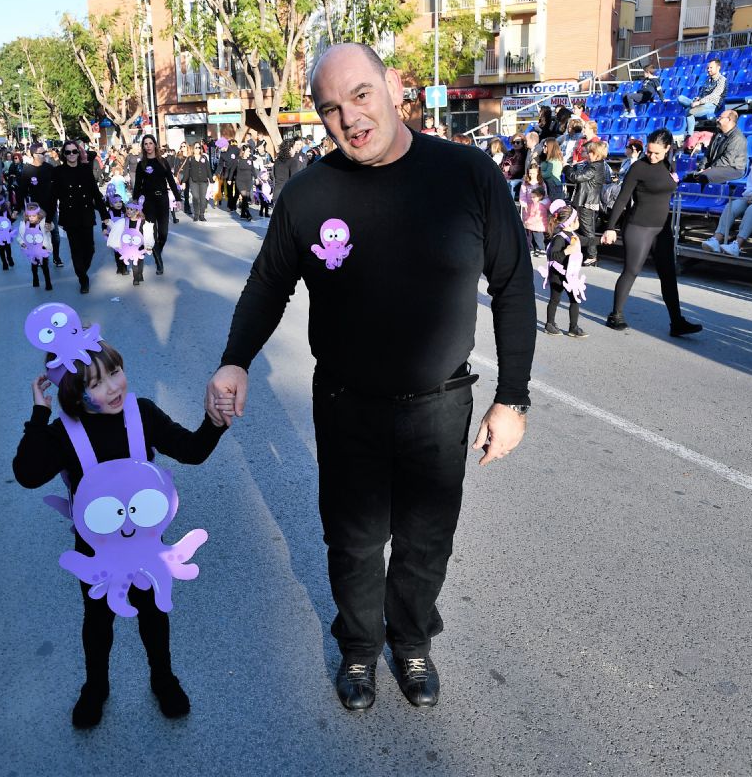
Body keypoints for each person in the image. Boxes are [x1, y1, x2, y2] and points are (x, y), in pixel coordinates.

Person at [202, 43, 536, 712]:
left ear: (392, 86)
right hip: (346, 403)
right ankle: (359, 647)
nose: (349, 117)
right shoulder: (307, 194)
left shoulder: (468, 174)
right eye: (330, 108)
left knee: (425, 539)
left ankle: (411, 641)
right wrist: (235, 358)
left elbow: (513, 287)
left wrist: (513, 398)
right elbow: (268, 285)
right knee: (352, 540)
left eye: (359, 94)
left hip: (440, 405)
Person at [12, 340, 227, 729]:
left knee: (153, 612)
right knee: (97, 619)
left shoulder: (140, 413)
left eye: (114, 372)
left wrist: (214, 423)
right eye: (95, 384)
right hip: (95, 550)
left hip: (145, 544)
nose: (113, 388)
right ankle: (95, 687)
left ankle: (163, 678)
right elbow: (27, 473)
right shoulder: (64, 431)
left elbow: (191, 450)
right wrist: (38, 413)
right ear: (74, 395)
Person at [600, 128, 702, 336]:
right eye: (649, 151)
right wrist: (610, 228)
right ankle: (615, 315)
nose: (652, 156)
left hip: (662, 228)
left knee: (668, 274)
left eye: (657, 152)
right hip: (638, 226)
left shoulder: (668, 164)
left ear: (668, 149)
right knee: (632, 270)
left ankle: (677, 322)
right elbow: (622, 199)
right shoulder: (639, 167)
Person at [54, 139, 109, 294]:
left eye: (74, 151)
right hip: (70, 216)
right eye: (68, 152)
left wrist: (105, 215)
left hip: (86, 214)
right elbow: (53, 196)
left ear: (79, 153)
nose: (71, 155)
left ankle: (82, 269)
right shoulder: (58, 172)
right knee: (76, 249)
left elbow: (95, 195)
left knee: (90, 249)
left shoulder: (86, 169)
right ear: (64, 155)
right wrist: (48, 216)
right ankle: (83, 278)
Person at [133, 134, 182, 276]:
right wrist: (135, 201)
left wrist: (178, 198)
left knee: (163, 233)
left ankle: (157, 253)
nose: (148, 146)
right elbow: (137, 184)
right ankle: (159, 263)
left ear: (155, 145)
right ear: (143, 146)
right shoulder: (141, 164)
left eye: (150, 143)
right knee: (151, 234)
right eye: (145, 144)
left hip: (163, 200)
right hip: (148, 202)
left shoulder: (163, 162)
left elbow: (171, 181)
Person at [541, 201, 587, 338]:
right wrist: (567, 251)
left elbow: (586, 241)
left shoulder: (573, 235)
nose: (578, 220)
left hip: (570, 275)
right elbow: (553, 255)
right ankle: (550, 324)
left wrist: (602, 239)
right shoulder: (559, 238)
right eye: (577, 219)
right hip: (558, 274)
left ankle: (573, 327)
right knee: (555, 299)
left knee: (575, 299)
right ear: (570, 223)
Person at [567, 139, 610, 266]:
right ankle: (584, 253)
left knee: (587, 230)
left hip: (587, 202)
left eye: (589, 152)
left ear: (596, 154)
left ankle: (592, 255)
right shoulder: (594, 165)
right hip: (584, 201)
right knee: (582, 228)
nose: (587, 154)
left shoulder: (595, 167)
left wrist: (566, 169)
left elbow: (577, 178)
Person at [684, 110, 748, 185]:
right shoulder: (718, 133)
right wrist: (702, 167)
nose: (717, 119)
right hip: (715, 166)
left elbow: (727, 160)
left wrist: (709, 169)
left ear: (729, 120)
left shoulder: (737, 137)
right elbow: (708, 153)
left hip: (733, 169)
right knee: (688, 177)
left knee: (704, 177)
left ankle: (706, 196)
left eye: (720, 118)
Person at [678, 59, 727, 138]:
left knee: (689, 111)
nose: (708, 70)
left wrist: (699, 102)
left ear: (718, 68)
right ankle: (691, 104)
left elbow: (714, 95)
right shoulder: (708, 80)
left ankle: (689, 135)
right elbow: (702, 93)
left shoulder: (722, 80)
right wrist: (698, 99)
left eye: (711, 68)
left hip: (713, 105)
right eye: (708, 68)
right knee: (680, 98)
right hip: (702, 103)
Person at [18, 202, 52, 291]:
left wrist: (49, 226)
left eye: (34, 216)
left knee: (45, 266)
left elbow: (51, 227)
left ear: (38, 215)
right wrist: (22, 243)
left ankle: (48, 283)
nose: (31, 218)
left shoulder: (43, 222)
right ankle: (35, 279)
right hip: (32, 249)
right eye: (30, 216)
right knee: (34, 265)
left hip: (42, 248)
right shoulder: (24, 225)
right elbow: (20, 236)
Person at [182, 142, 212, 222]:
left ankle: (201, 215)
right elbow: (186, 171)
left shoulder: (204, 158)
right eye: (196, 147)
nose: (198, 149)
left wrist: (211, 180)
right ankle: (196, 214)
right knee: (195, 197)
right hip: (193, 181)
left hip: (203, 181)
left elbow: (208, 169)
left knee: (202, 198)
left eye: (199, 147)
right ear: (193, 149)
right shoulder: (190, 158)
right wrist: (184, 181)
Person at [519, 180, 549, 257]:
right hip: (535, 225)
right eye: (531, 197)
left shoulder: (539, 205)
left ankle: (541, 250)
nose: (532, 199)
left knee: (538, 239)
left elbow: (537, 216)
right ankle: (535, 249)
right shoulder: (537, 204)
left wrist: (527, 221)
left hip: (537, 225)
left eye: (534, 197)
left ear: (540, 197)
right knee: (534, 238)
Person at [234, 144, 255, 222]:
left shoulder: (250, 160)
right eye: (248, 151)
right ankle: (248, 214)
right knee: (244, 197)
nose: (249, 153)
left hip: (248, 181)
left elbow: (252, 169)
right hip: (240, 181)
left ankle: (243, 214)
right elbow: (232, 170)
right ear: (243, 151)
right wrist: (229, 178)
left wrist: (256, 178)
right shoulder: (238, 160)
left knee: (245, 198)